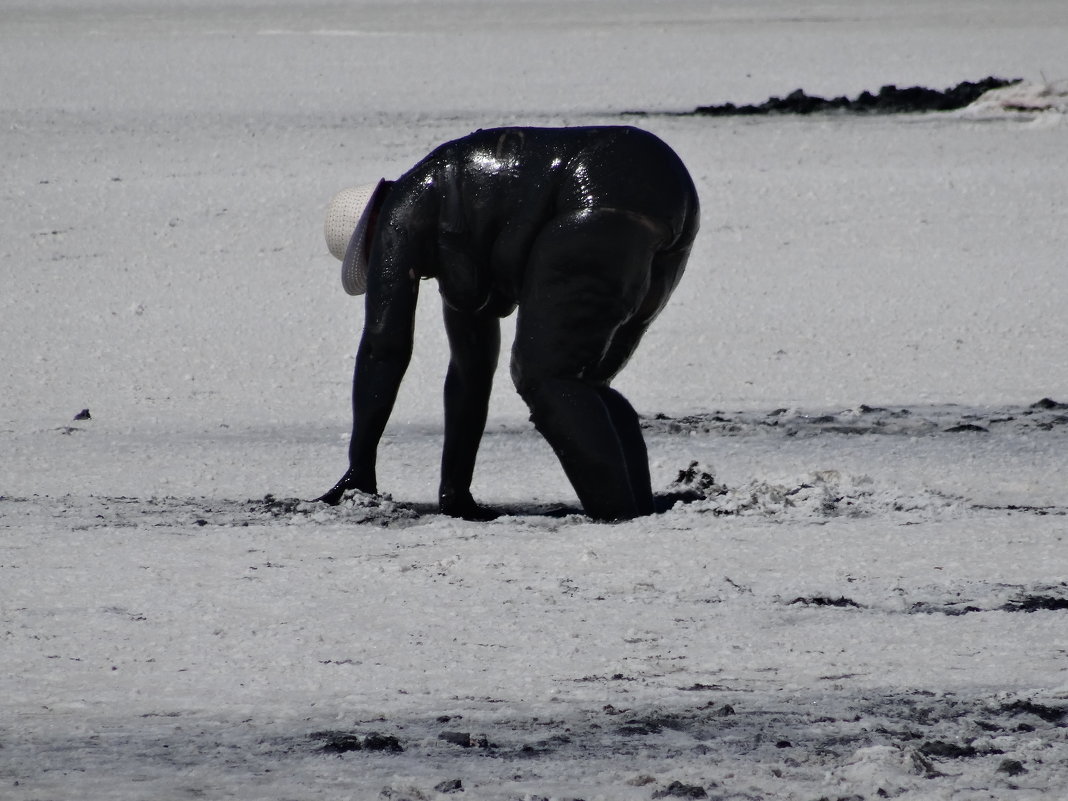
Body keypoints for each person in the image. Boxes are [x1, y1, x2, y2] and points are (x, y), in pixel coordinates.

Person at [317, 125, 699, 521]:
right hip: (666, 186)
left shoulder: (404, 209)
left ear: (375, 229)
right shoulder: (458, 219)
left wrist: (359, 471)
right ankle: (637, 512)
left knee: (550, 378)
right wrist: (455, 492)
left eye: (377, 260)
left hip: (601, 189)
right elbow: (472, 371)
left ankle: (619, 518)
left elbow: (385, 345)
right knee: (583, 382)